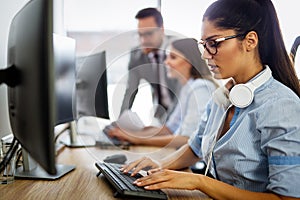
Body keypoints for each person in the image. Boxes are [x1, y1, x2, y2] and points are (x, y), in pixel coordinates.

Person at [119, 0, 300, 199]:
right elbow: (194, 147)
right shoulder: (222, 97)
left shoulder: (281, 106)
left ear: (250, 41)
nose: (205, 55)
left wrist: (200, 182)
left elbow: (288, 199)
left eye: (213, 44)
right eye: (203, 44)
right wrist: (159, 165)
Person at [107, 38, 218, 148]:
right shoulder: (187, 88)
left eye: (173, 57)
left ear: (189, 61)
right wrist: (131, 134)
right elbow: (169, 129)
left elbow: (186, 139)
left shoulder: (200, 88)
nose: (166, 62)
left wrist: (136, 139)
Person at [119, 7, 181, 123]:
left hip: (182, 114)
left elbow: (182, 93)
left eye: (148, 34)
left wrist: (169, 127)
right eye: (140, 35)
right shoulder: (137, 56)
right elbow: (130, 92)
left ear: (161, 29)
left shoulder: (178, 51)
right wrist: (121, 122)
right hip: (160, 117)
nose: (143, 41)